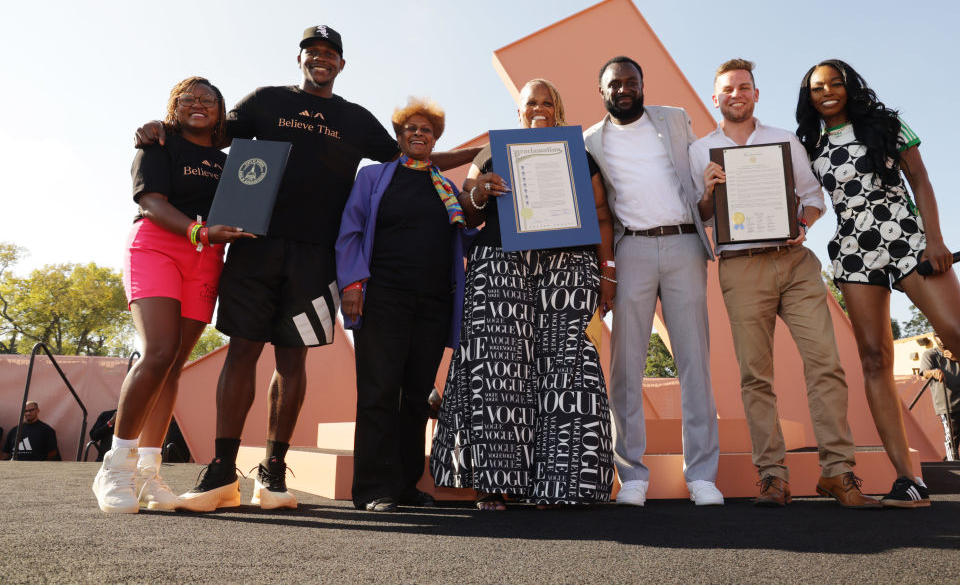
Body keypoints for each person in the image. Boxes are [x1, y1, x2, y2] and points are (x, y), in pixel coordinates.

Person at [135, 26, 478, 512]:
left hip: (317, 258)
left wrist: (473, 155)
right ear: (299, 58)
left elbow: (413, 160)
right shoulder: (264, 102)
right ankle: (221, 468)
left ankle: (273, 475)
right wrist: (159, 128)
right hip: (254, 246)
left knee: (293, 360)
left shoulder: (356, 120)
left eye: (330, 54)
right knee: (243, 352)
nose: (321, 59)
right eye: (312, 52)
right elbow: (207, 132)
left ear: (341, 65)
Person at [796, 58, 960, 511]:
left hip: (907, 238)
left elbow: (919, 177)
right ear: (809, 96)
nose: (827, 92)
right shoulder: (806, 143)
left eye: (836, 83)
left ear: (850, 87)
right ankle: (908, 480)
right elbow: (803, 199)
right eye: (818, 87)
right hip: (853, 250)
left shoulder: (886, 123)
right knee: (875, 358)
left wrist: (934, 239)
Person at [689, 59, 879, 508]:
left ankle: (838, 472)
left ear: (756, 94)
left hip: (794, 262)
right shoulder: (700, 152)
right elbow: (696, 217)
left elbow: (814, 198)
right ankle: (773, 476)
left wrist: (802, 222)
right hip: (739, 266)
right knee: (756, 377)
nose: (736, 95)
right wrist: (706, 194)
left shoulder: (784, 140)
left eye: (744, 87)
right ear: (715, 99)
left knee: (826, 363)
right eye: (727, 90)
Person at [431, 79, 616, 510]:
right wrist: (479, 190)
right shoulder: (492, 152)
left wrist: (608, 273)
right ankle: (492, 484)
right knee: (497, 368)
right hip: (499, 262)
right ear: (518, 111)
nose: (538, 107)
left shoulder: (578, 154)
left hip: (568, 267)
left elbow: (603, 215)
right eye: (530, 102)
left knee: (569, 367)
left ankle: (565, 484)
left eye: (547, 101)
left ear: (558, 109)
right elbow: (467, 211)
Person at [93, 76, 254, 514]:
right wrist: (199, 230)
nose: (199, 104)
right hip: (158, 245)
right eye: (189, 98)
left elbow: (243, 209)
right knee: (158, 353)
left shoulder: (229, 163)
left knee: (174, 367)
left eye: (209, 100)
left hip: (205, 257)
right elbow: (151, 202)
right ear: (174, 106)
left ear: (221, 113)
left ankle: (148, 473)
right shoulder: (157, 144)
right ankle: (115, 466)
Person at [584, 56, 722, 508]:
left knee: (694, 364)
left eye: (631, 82)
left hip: (684, 243)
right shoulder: (589, 141)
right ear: (601, 92)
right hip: (632, 251)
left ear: (642, 85)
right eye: (614, 84)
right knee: (626, 366)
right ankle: (633, 476)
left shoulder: (675, 118)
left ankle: (702, 475)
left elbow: (705, 165)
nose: (623, 89)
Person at [336, 98, 478, 512]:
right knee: (380, 390)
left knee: (417, 394)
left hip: (434, 301)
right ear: (399, 136)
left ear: (435, 140)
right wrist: (352, 282)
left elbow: (463, 237)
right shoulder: (374, 177)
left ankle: (405, 483)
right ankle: (373, 488)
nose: (419, 134)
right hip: (383, 297)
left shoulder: (445, 187)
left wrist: (487, 207)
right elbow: (350, 230)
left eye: (427, 130)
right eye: (411, 129)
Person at [919, 335, 960, 461]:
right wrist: (934, 372)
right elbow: (925, 373)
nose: (942, 339)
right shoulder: (930, 354)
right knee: (953, 439)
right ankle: (953, 463)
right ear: (934, 338)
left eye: (943, 335)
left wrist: (958, 358)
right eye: (938, 336)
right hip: (949, 403)